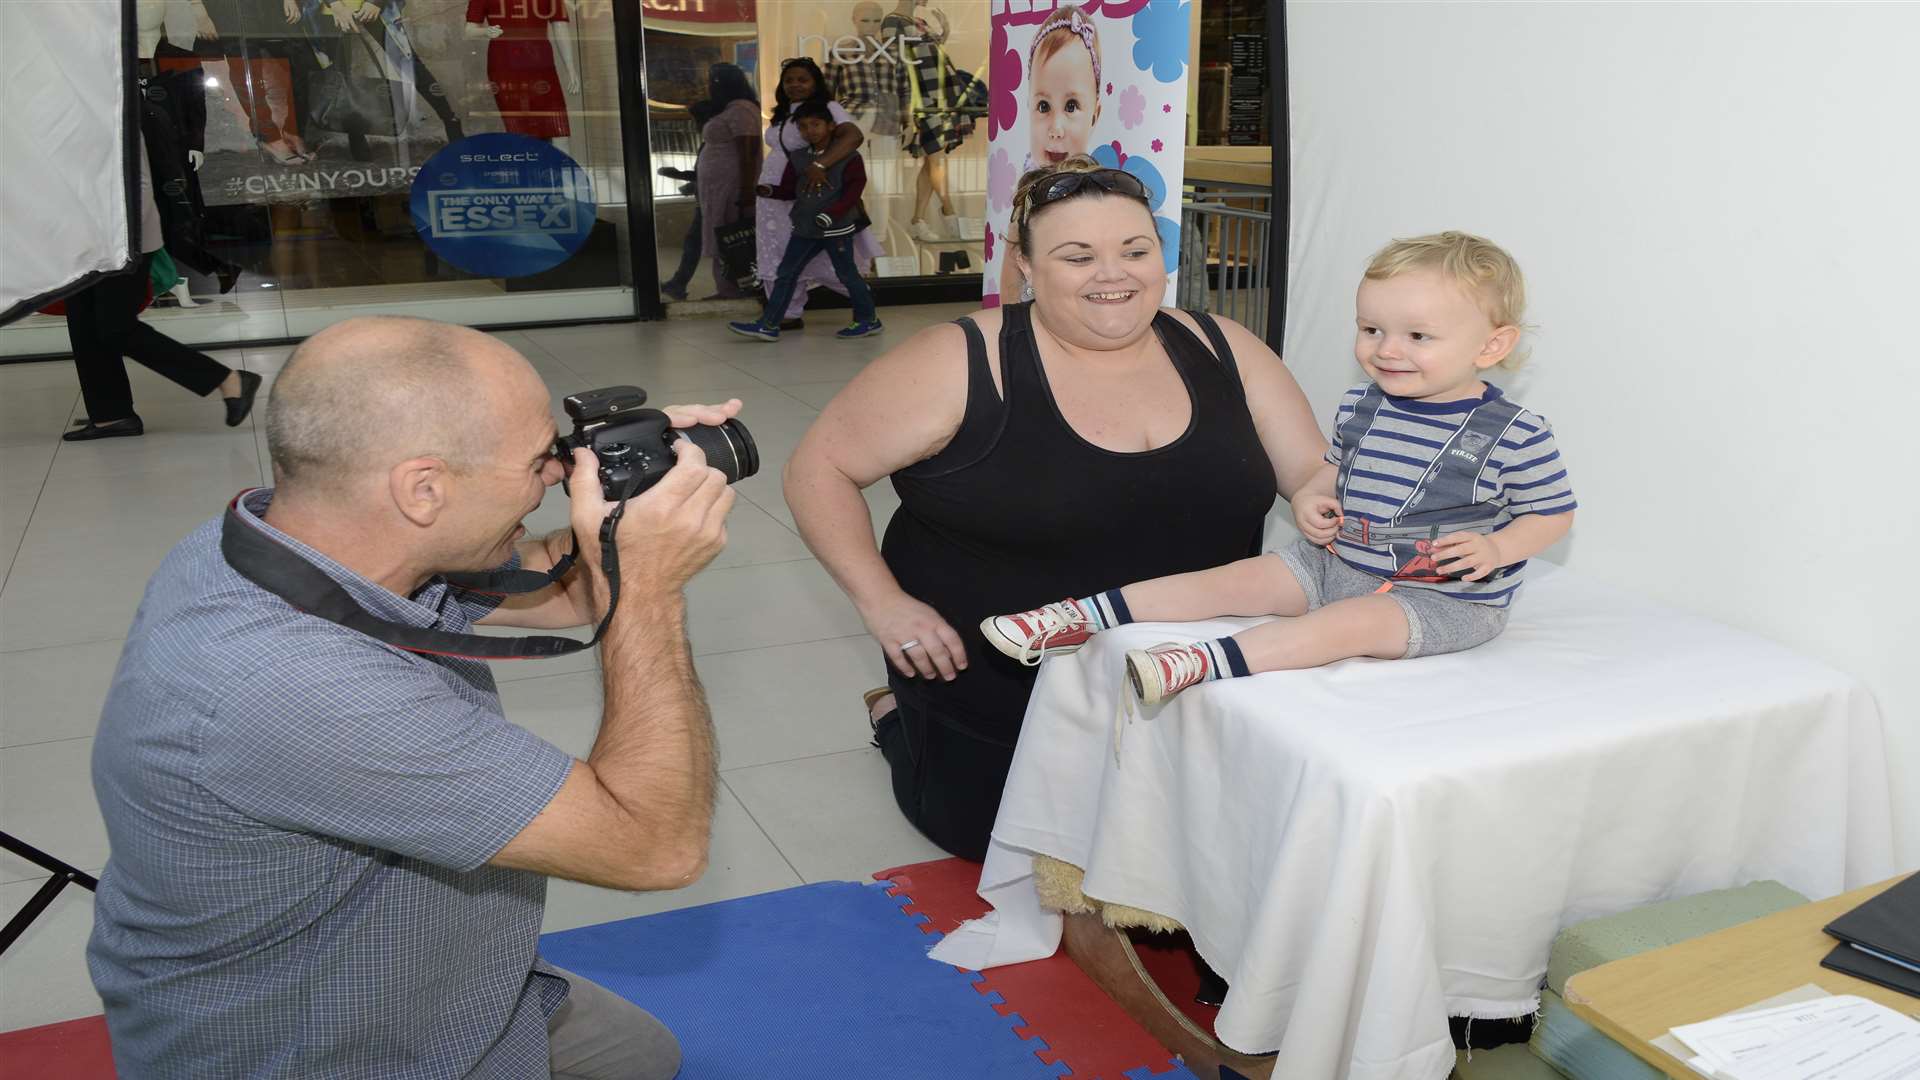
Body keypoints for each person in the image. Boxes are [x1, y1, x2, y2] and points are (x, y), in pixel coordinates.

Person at [86, 315, 741, 1078]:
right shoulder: (299, 689)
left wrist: (643, 485)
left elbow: (558, 593)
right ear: (423, 488)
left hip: (446, 976)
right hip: (324, 1046)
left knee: (643, 1056)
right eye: (540, 461)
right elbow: (657, 848)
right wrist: (651, 589)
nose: (559, 475)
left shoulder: (284, 537)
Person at [783, 156, 1329, 860]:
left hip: (1193, 676)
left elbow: (1310, 469)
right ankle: (899, 724)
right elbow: (816, 469)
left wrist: (1329, 496)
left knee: (1216, 855)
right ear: (1027, 267)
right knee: (1027, 856)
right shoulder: (958, 360)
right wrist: (883, 604)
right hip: (1005, 687)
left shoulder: (1222, 345)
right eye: (1079, 256)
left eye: (1136, 251)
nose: (1116, 275)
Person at [982, 232, 1579, 702]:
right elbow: (1335, 471)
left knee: (1343, 628)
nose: (1387, 350)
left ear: (1491, 347)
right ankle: (1076, 616)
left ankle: (1206, 661)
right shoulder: (1362, 404)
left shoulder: (1512, 433)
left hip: (1442, 600)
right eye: (1372, 329)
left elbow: (1553, 515)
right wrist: (1316, 498)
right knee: (1225, 579)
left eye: (1418, 336)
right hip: (1334, 560)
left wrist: (1497, 551)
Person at [61, 138, 261, 442]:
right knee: (84, 324)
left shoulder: (112, 106)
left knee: (116, 328)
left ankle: (228, 380)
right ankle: (110, 415)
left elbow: (137, 181)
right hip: (79, 239)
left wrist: (127, 241)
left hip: (119, 241)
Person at [728, 101, 882, 342]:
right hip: (806, 227)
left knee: (847, 275)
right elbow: (790, 190)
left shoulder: (849, 157)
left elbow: (854, 191)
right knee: (786, 273)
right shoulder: (799, 157)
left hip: (837, 228)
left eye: (816, 124)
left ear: (831, 126)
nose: (810, 131)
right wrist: (769, 190)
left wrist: (832, 214)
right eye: (803, 127)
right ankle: (769, 325)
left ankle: (868, 320)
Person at [756, 57, 879, 330]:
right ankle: (787, 313)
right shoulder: (784, 112)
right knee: (778, 252)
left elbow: (853, 137)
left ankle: (863, 305)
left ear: (816, 82)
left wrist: (820, 165)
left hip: (809, 194)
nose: (795, 85)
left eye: (803, 80)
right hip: (774, 197)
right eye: (789, 80)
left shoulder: (829, 108)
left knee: (817, 254)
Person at [1000, 4, 1102, 301]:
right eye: (1043, 107)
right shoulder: (1027, 201)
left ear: (1095, 114)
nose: (1055, 128)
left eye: (1071, 107)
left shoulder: (1102, 196)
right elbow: (1009, 287)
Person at [882, 0, 984, 241]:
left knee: (933, 158)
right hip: (921, 97)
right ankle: (951, 214)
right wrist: (906, 111)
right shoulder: (892, 22)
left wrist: (944, 33)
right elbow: (895, 63)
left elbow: (928, 54)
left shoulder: (918, 22)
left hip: (939, 93)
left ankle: (918, 220)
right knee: (935, 158)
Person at [695, 64, 762, 300]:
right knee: (723, 234)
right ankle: (726, 288)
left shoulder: (741, 110)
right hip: (718, 187)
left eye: (712, 81)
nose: (709, 86)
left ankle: (736, 287)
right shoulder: (730, 109)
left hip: (731, 186)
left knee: (733, 236)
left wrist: (745, 189)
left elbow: (748, 151)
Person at [659, 98, 718, 302]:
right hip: (707, 201)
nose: (694, 126)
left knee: (695, 245)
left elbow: (709, 174)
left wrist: (679, 175)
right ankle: (678, 283)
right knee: (694, 244)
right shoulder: (709, 143)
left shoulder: (713, 144)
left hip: (711, 204)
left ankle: (679, 283)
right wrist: (691, 185)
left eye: (696, 121)